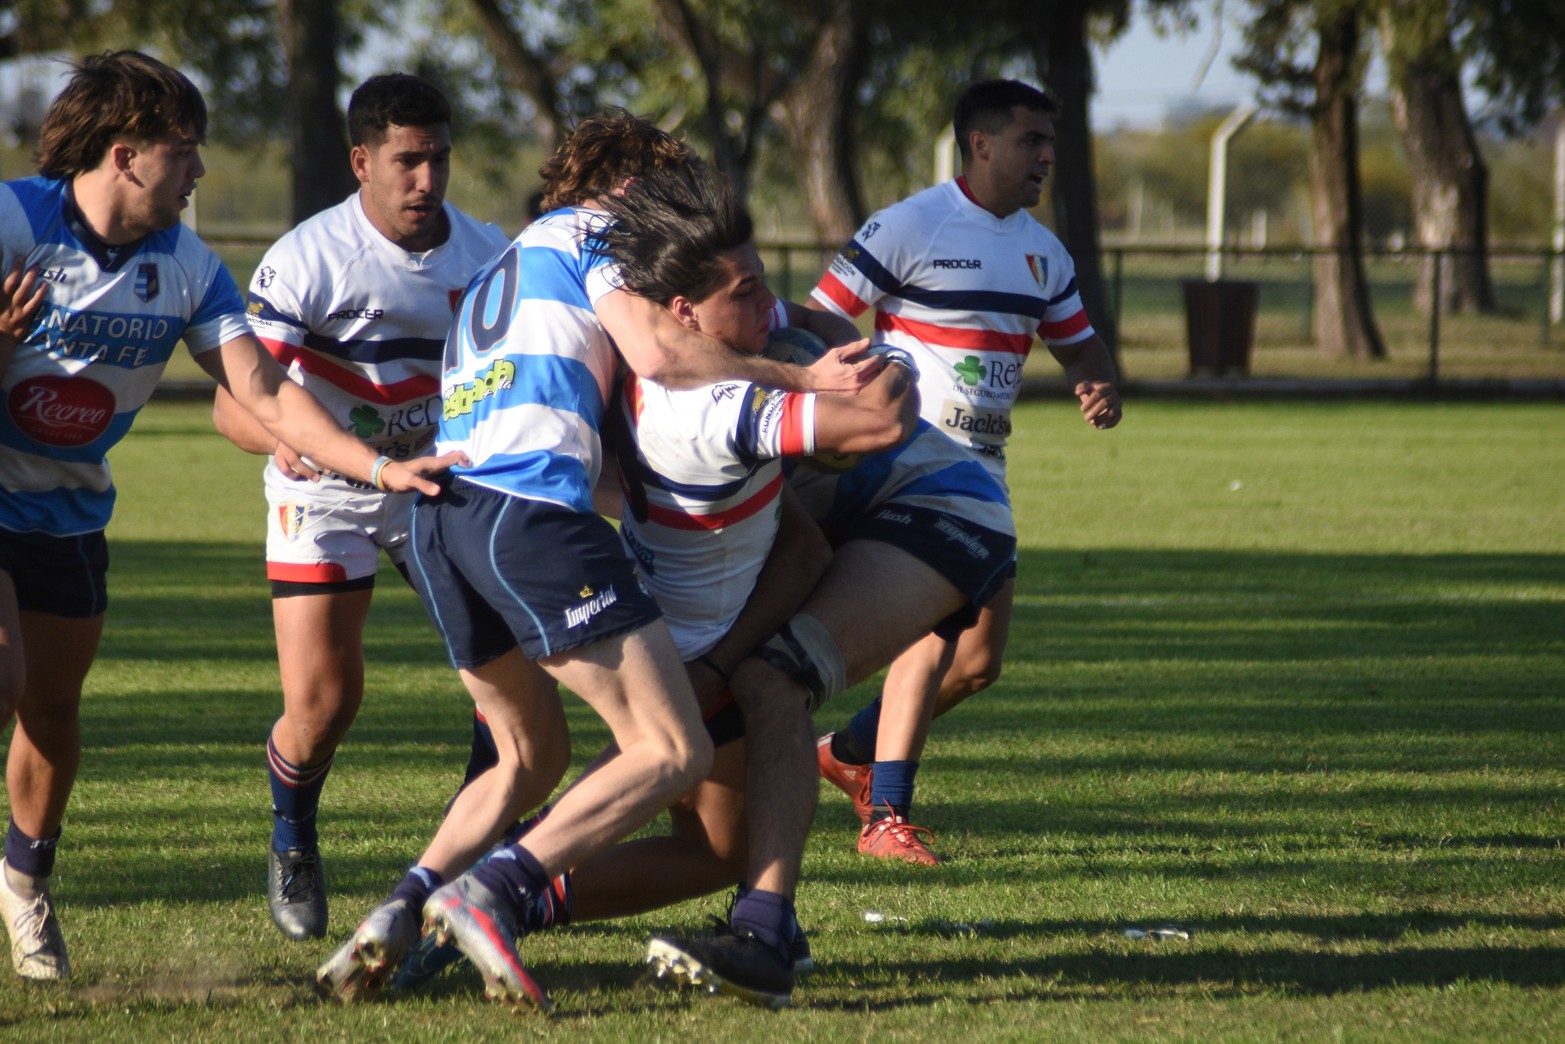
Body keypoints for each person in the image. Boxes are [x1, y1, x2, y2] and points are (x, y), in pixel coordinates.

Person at [313, 108, 881, 1012]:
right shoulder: (594, 233)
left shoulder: (508, 257)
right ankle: (490, 893)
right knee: (671, 748)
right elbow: (658, 348)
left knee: (525, 757)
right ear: (618, 186)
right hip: (526, 514)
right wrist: (805, 378)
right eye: (655, 195)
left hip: (443, 516)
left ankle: (400, 908)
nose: (665, 223)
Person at [0, 50, 458, 981]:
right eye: (185, 150)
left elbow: (269, 394)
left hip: (71, 511)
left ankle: (23, 881)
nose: (200, 170)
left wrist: (378, 466)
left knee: (50, 710)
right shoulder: (11, 223)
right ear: (126, 156)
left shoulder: (187, 267)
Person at [209, 73, 511, 943]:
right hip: (326, 492)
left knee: (512, 682)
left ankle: (473, 857)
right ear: (360, 163)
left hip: (432, 484)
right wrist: (280, 436)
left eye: (439, 159)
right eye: (407, 161)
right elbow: (235, 403)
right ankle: (293, 836)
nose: (427, 179)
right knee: (324, 706)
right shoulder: (307, 258)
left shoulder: (488, 254)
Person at [807, 79, 1122, 863]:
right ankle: (886, 817)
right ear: (980, 144)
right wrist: (851, 397)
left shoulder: (1043, 252)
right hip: (908, 462)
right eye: (1029, 140)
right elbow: (820, 315)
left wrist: (1097, 379)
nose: (1044, 156)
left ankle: (845, 753)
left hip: (983, 469)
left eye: (1048, 142)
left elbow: (1077, 342)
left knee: (978, 664)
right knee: (929, 635)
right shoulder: (910, 225)